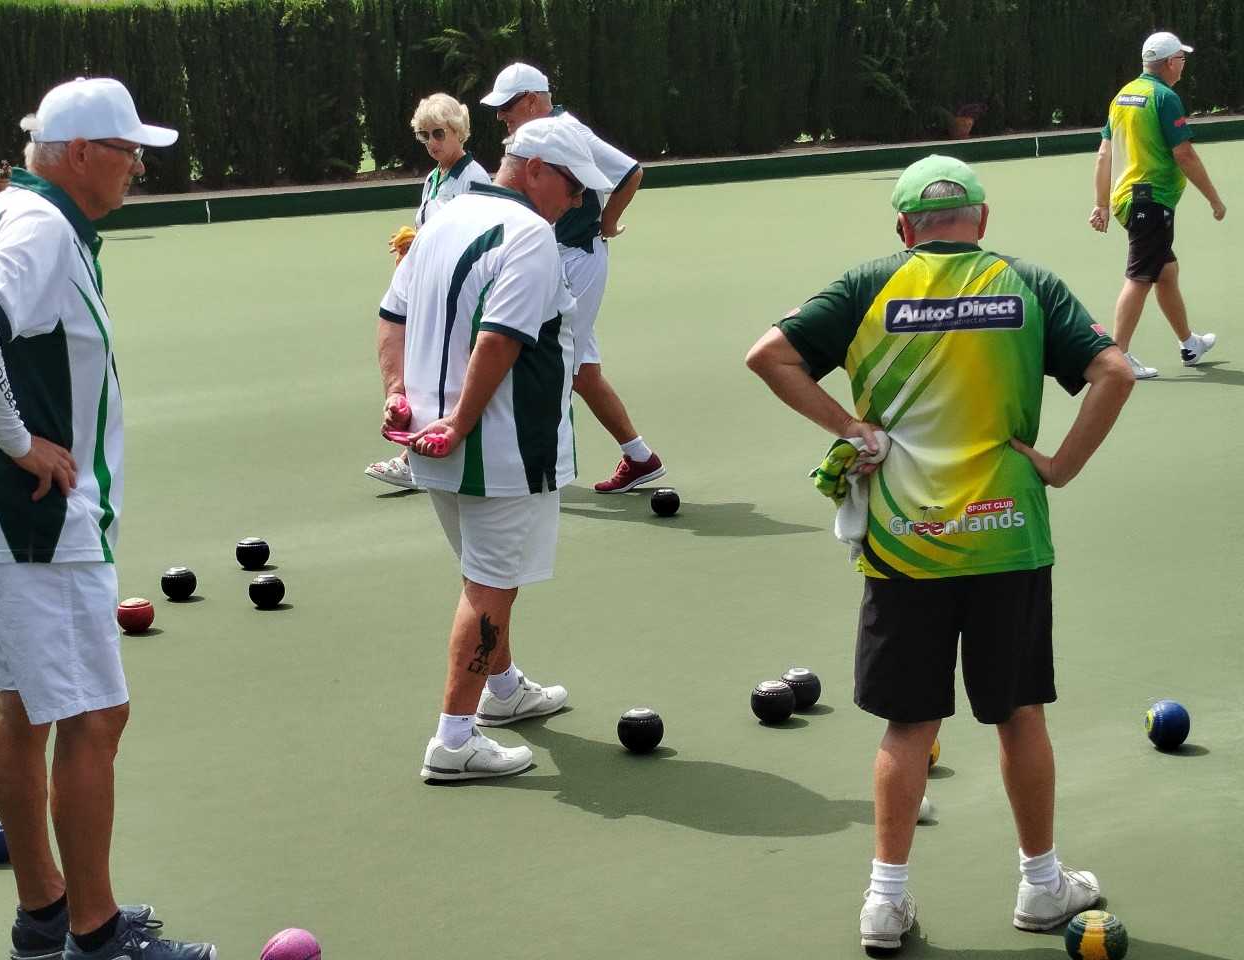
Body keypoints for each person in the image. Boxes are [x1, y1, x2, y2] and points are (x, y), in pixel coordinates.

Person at [746, 155, 1134, 951]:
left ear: (903, 228)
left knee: (909, 723)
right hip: (1008, 537)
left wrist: (850, 428)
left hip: (905, 545)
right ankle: (1041, 886)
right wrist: (1061, 466)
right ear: (981, 221)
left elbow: (768, 355)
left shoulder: (868, 285)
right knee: (1018, 712)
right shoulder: (1028, 283)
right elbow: (1115, 371)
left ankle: (885, 903)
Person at [0, 79, 215, 959]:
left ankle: (44, 915)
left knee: (25, 709)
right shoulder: (39, 227)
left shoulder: (26, 214)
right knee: (94, 717)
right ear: (78, 153)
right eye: (126, 150)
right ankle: (96, 935)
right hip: (40, 522)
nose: (136, 166)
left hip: (15, 522)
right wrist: (20, 441)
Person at [376, 115, 610, 782]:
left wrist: (398, 393)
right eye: (573, 186)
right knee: (490, 586)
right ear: (534, 169)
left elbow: (390, 317)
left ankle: (503, 690)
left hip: (432, 441)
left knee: (483, 573)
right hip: (503, 447)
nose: (578, 201)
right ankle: (454, 740)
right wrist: (461, 421)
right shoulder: (530, 236)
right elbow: (500, 339)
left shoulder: (442, 217)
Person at [480, 63, 665, 494]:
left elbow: (630, 171)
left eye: (507, 107)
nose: (501, 116)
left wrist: (606, 223)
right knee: (582, 373)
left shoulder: (568, 130)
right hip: (557, 258)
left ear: (531, 101)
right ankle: (640, 458)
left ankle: (541, 469)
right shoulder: (536, 137)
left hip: (576, 260)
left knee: (553, 367)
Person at [367, 92, 491, 489]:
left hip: (459, 292)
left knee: (450, 372)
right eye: (425, 136)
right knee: (425, 368)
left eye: (438, 134)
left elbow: (477, 235)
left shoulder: (475, 178)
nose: (432, 143)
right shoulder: (434, 178)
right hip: (431, 287)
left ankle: (413, 458)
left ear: (458, 131)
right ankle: (415, 454)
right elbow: (430, 231)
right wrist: (411, 246)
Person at [1090, 30, 1226, 379]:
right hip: (1150, 202)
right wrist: (1214, 198)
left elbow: (1104, 153)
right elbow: (1184, 154)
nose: (1183, 64)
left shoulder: (1123, 95)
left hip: (1130, 200)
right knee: (1140, 278)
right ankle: (1118, 358)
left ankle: (1189, 343)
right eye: (1181, 58)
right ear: (1169, 63)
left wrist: (1102, 204)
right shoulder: (1165, 97)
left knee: (1166, 272)